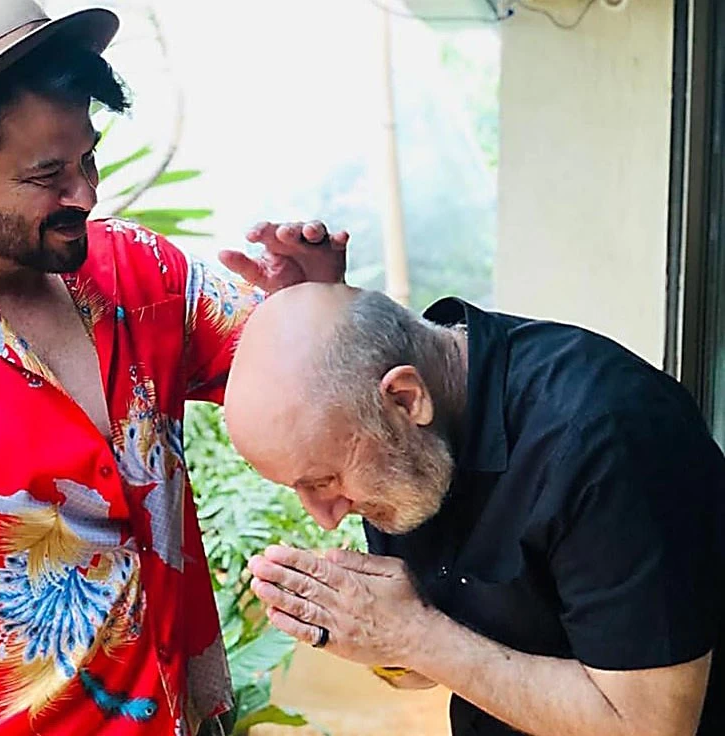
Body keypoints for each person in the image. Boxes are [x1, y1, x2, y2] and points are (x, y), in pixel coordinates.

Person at [0, 2, 348, 734]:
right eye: (47, 175)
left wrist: (316, 303)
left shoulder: (143, 271)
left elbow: (304, 379)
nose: (86, 194)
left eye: (88, 159)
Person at [224, 283, 725, 736]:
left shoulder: (609, 441)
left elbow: (647, 725)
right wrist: (375, 636)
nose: (326, 515)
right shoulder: (403, 444)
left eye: (324, 481)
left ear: (406, 399)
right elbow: (446, 653)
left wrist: (412, 635)